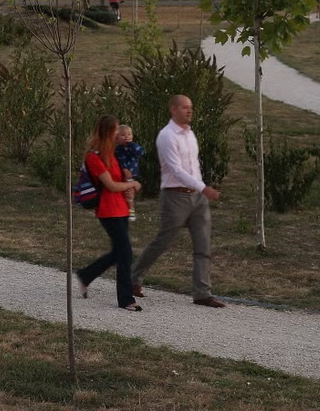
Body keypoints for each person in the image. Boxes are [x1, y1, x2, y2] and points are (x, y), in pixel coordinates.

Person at [126, 94, 225, 308]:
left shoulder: (190, 134)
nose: (189, 111)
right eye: (184, 107)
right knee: (163, 241)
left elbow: (193, 166)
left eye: (191, 107)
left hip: (197, 198)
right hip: (175, 196)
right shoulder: (167, 136)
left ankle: (202, 293)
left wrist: (200, 189)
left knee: (203, 244)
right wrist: (204, 188)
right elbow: (176, 170)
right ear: (173, 109)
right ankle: (132, 279)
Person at [76, 114, 143, 311]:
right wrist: (131, 184)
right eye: (115, 130)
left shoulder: (113, 154)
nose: (118, 134)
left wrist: (130, 183)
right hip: (108, 210)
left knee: (119, 252)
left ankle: (86, 275)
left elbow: (120, 179)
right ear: (107, 132)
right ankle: (126, 299)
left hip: (121, 207)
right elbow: (112, 186)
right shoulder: (94, 157)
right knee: (126, 253)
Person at [114, 124, 144, 220]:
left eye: (129, 134)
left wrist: (132, 145)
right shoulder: (118, 149)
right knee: (125, 191)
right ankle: (127, 208)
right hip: (122, 173)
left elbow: (141, 152)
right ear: (117, 139)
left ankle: (131, 209)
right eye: (123, 135)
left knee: (130, 191)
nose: (126, 137)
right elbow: (121, 160)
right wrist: (124, 169)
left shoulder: (133, 147)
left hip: (133, 173)